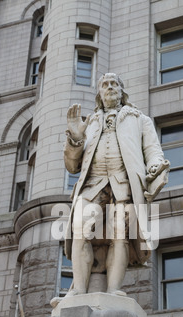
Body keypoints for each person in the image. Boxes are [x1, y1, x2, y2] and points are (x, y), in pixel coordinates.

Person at [63, 73, 169, 296]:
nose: (109, 87)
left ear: (122, 91)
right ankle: (79, 290)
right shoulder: (89, 123)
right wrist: (74, 138)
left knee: (120, 235)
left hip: (124, 185)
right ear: (99, 93)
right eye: (104, 84)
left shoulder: (139, 119)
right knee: (80, 230)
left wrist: (156, 166)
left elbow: (152, 150)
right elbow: (72, 166)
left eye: (114, 84)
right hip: (92, 185)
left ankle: (113, 289)